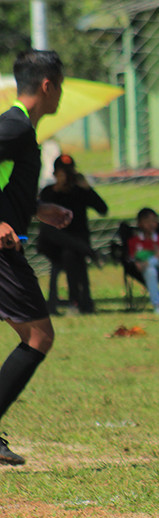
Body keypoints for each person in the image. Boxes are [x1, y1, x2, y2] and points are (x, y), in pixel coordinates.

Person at [0, 50, 72, 466]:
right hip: (2, 254)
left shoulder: (19, 129)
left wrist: (38, 208)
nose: (60, 94)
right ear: (48, 85)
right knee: (39, 336)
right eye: (59, 85)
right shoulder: (14, 127)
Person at [38, 154, 108, 314]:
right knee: (57, 236)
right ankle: (92, 254)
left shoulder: (80, 192)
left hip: (75, 246)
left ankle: (76, 303)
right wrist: (58, 189)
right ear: (55, 174)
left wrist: (88, 189)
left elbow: (103, 209)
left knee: (71, 253)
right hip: (53, 245)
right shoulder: (49, 192)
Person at [127, 207, 159, 314]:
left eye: (154, 221)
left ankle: (148, 263)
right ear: (140, 224)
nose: (151, 224)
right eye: (147, 222)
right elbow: (133, 257)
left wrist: (158, 251)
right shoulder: (134, 241)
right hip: (143, 269)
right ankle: (157, 306)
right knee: (150, 271)